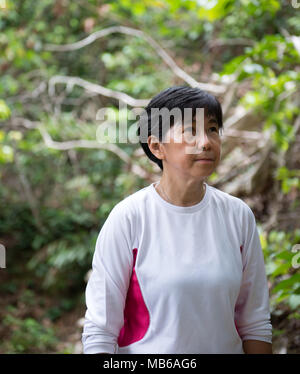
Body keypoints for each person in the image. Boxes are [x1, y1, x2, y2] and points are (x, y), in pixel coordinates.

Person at [81, 85, 272, 354]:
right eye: (190, 131)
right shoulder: (129, 219)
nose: (206, 142)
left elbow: (255, 322)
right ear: (157, 146)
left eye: (213, 129)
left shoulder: (238, 216)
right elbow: (101, 331)